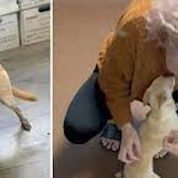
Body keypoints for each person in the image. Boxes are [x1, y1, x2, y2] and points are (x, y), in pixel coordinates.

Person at [64, 0, 178, 164]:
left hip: (164, 76)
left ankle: (164, 126)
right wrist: (125, 126)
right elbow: (114, 82)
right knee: (78, 128)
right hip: (121, 72)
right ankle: (113, 120)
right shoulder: (136, 27)